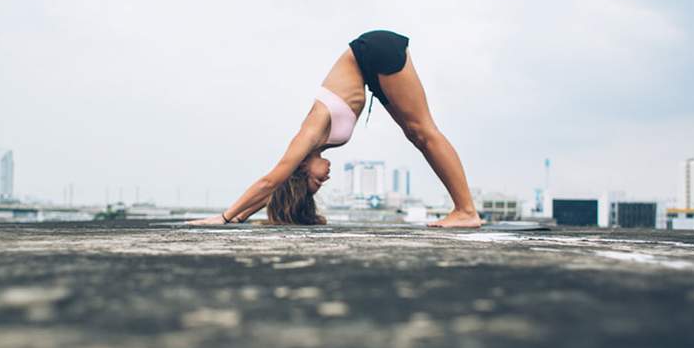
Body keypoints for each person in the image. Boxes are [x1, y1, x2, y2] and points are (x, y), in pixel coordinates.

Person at [188, 30, 482, 228]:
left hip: (373, 52)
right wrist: (242, 217)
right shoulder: (311, 149)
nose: (325, 179)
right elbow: (276, 188)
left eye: (316, 182)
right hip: (370, 68)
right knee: (417, 133)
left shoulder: (308, 136)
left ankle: (466, 211)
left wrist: (225, 218)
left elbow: (270, 181)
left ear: (302, 172)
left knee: (422, 131)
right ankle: (464, 209)